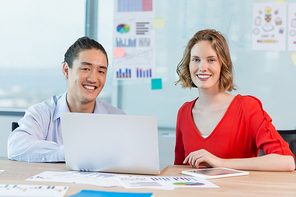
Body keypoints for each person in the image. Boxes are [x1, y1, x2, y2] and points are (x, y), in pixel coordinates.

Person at [174, 29, 295, 171]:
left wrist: (220, 163)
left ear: (223, 64)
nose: (202, 67)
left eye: (211, 60)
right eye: (196, 59)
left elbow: (286, 162)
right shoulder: (184, 112)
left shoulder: (248, 107)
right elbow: (178, 169)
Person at [7, 36, 125, 162]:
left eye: (101, 71)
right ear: (66, 70)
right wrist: (72, 153)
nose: (93, 78)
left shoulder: (118, 118)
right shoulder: (42, 113)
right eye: (86, 69)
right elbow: (16, 146)